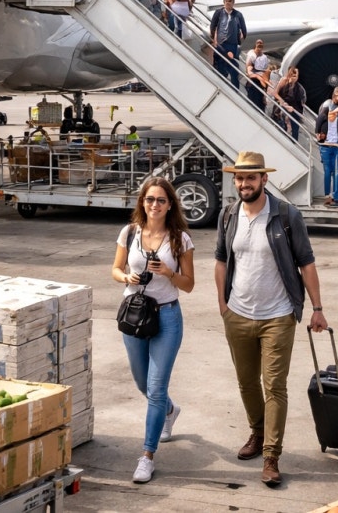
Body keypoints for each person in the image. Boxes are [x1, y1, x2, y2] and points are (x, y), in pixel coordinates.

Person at [214, 151, 326, 488]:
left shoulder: (286, 215)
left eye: (251, 177)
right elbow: (221, 261)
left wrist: (317, 308)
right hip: (238, 314)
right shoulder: (229, 214)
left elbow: (306, 263)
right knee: (247, 383)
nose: (244, 184)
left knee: (274, 386)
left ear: (264, 179)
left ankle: (271, 455)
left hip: (277, 316)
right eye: (239, 178)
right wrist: (223, 305)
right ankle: (257, 431)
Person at [111, 177, 196, 483]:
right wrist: (127, 278)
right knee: (143, 383)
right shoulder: (130, 232)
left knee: (156, 388)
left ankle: (146, 456)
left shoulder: (180, 239)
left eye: (161, 200)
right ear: (142, 202)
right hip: (134, 315)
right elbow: (115, 269)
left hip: (167, 317)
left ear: (170, 204)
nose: (155, 205)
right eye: (150, 199)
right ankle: (170, 411)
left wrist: (169, 272)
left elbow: (188, 285)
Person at [315, 87, 338, 206]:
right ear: (334, 96)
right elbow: (319, 120)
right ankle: (327, 196)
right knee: (328, 171)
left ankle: (336, 198)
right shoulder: (327, 108)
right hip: (326, 145)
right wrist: (318, 133)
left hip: (337, 145)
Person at [209, 0, 246, 89]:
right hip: (221, 43)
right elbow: (213, 26)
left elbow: (244, 29)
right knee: (220, 63)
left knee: (230, 63)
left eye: (230, 1)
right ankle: (219, 83)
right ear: (223, 2)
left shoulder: (238, 15)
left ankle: (234, 87)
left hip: (232, 44)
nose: (228, 3)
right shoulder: (219, 12)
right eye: (226, 1)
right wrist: (214, 39)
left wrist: (240, 38)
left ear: (233, 2)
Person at [273, 67, 306, 141]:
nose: (295, 77)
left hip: (294, 108)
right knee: (283, 121)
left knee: (295, 126)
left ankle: (294, 140)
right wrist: (283, 102)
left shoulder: (299, 87)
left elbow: (301, 101)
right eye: (293, 75)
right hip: (284, 104)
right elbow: (275, 93)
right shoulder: (284, 81)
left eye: (296, 75)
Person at [244, 39, 271, 110]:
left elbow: (266, 73)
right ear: (255, 45)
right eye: (258, 43)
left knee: (261, 105)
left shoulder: (264, 57)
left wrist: (265, 92)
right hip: (253, 82)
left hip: (261, 83)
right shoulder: (251, 54)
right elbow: (248, 70)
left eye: (261, 44)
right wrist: (256, 76)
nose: (259, 45)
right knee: (252, 102)